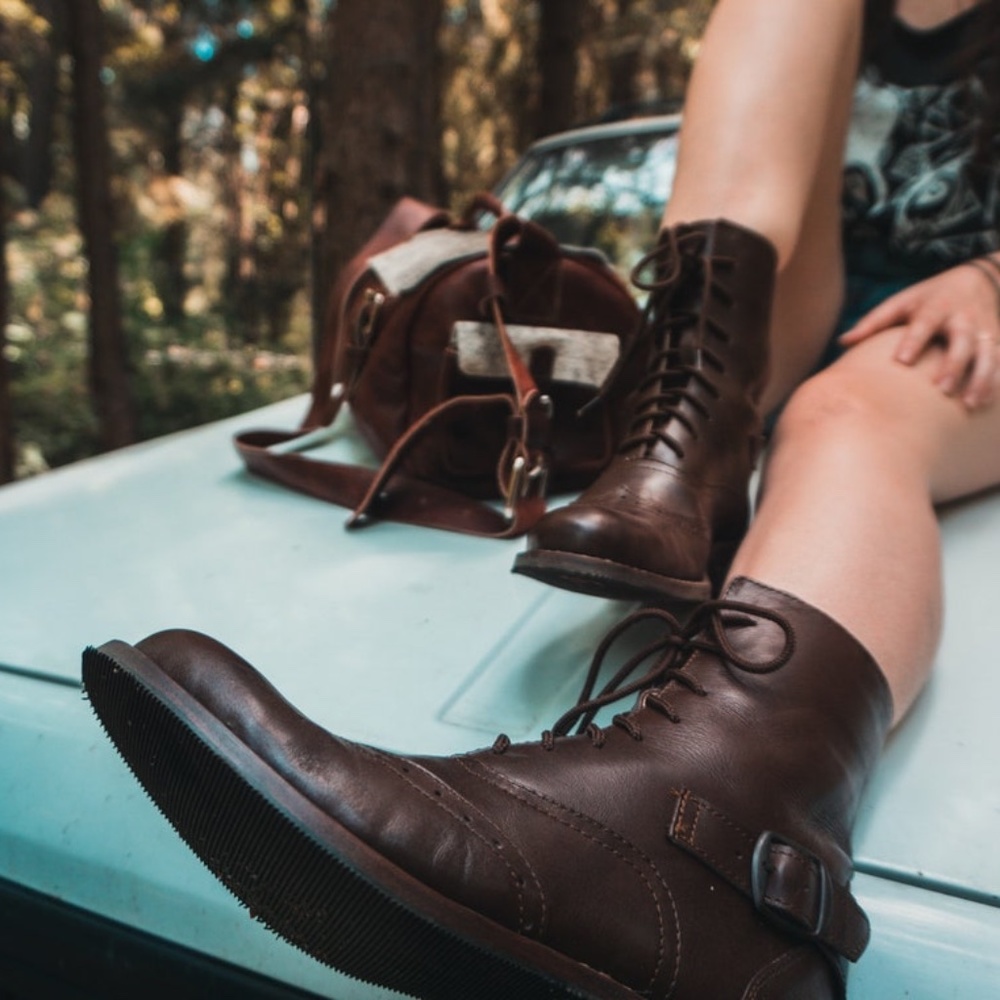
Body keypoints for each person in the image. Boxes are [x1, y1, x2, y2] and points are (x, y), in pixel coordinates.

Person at [82, 1, 1000, 997]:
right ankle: (688, 421)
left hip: (960, 340)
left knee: (848, 415)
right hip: (788, 327)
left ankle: (725, 862)